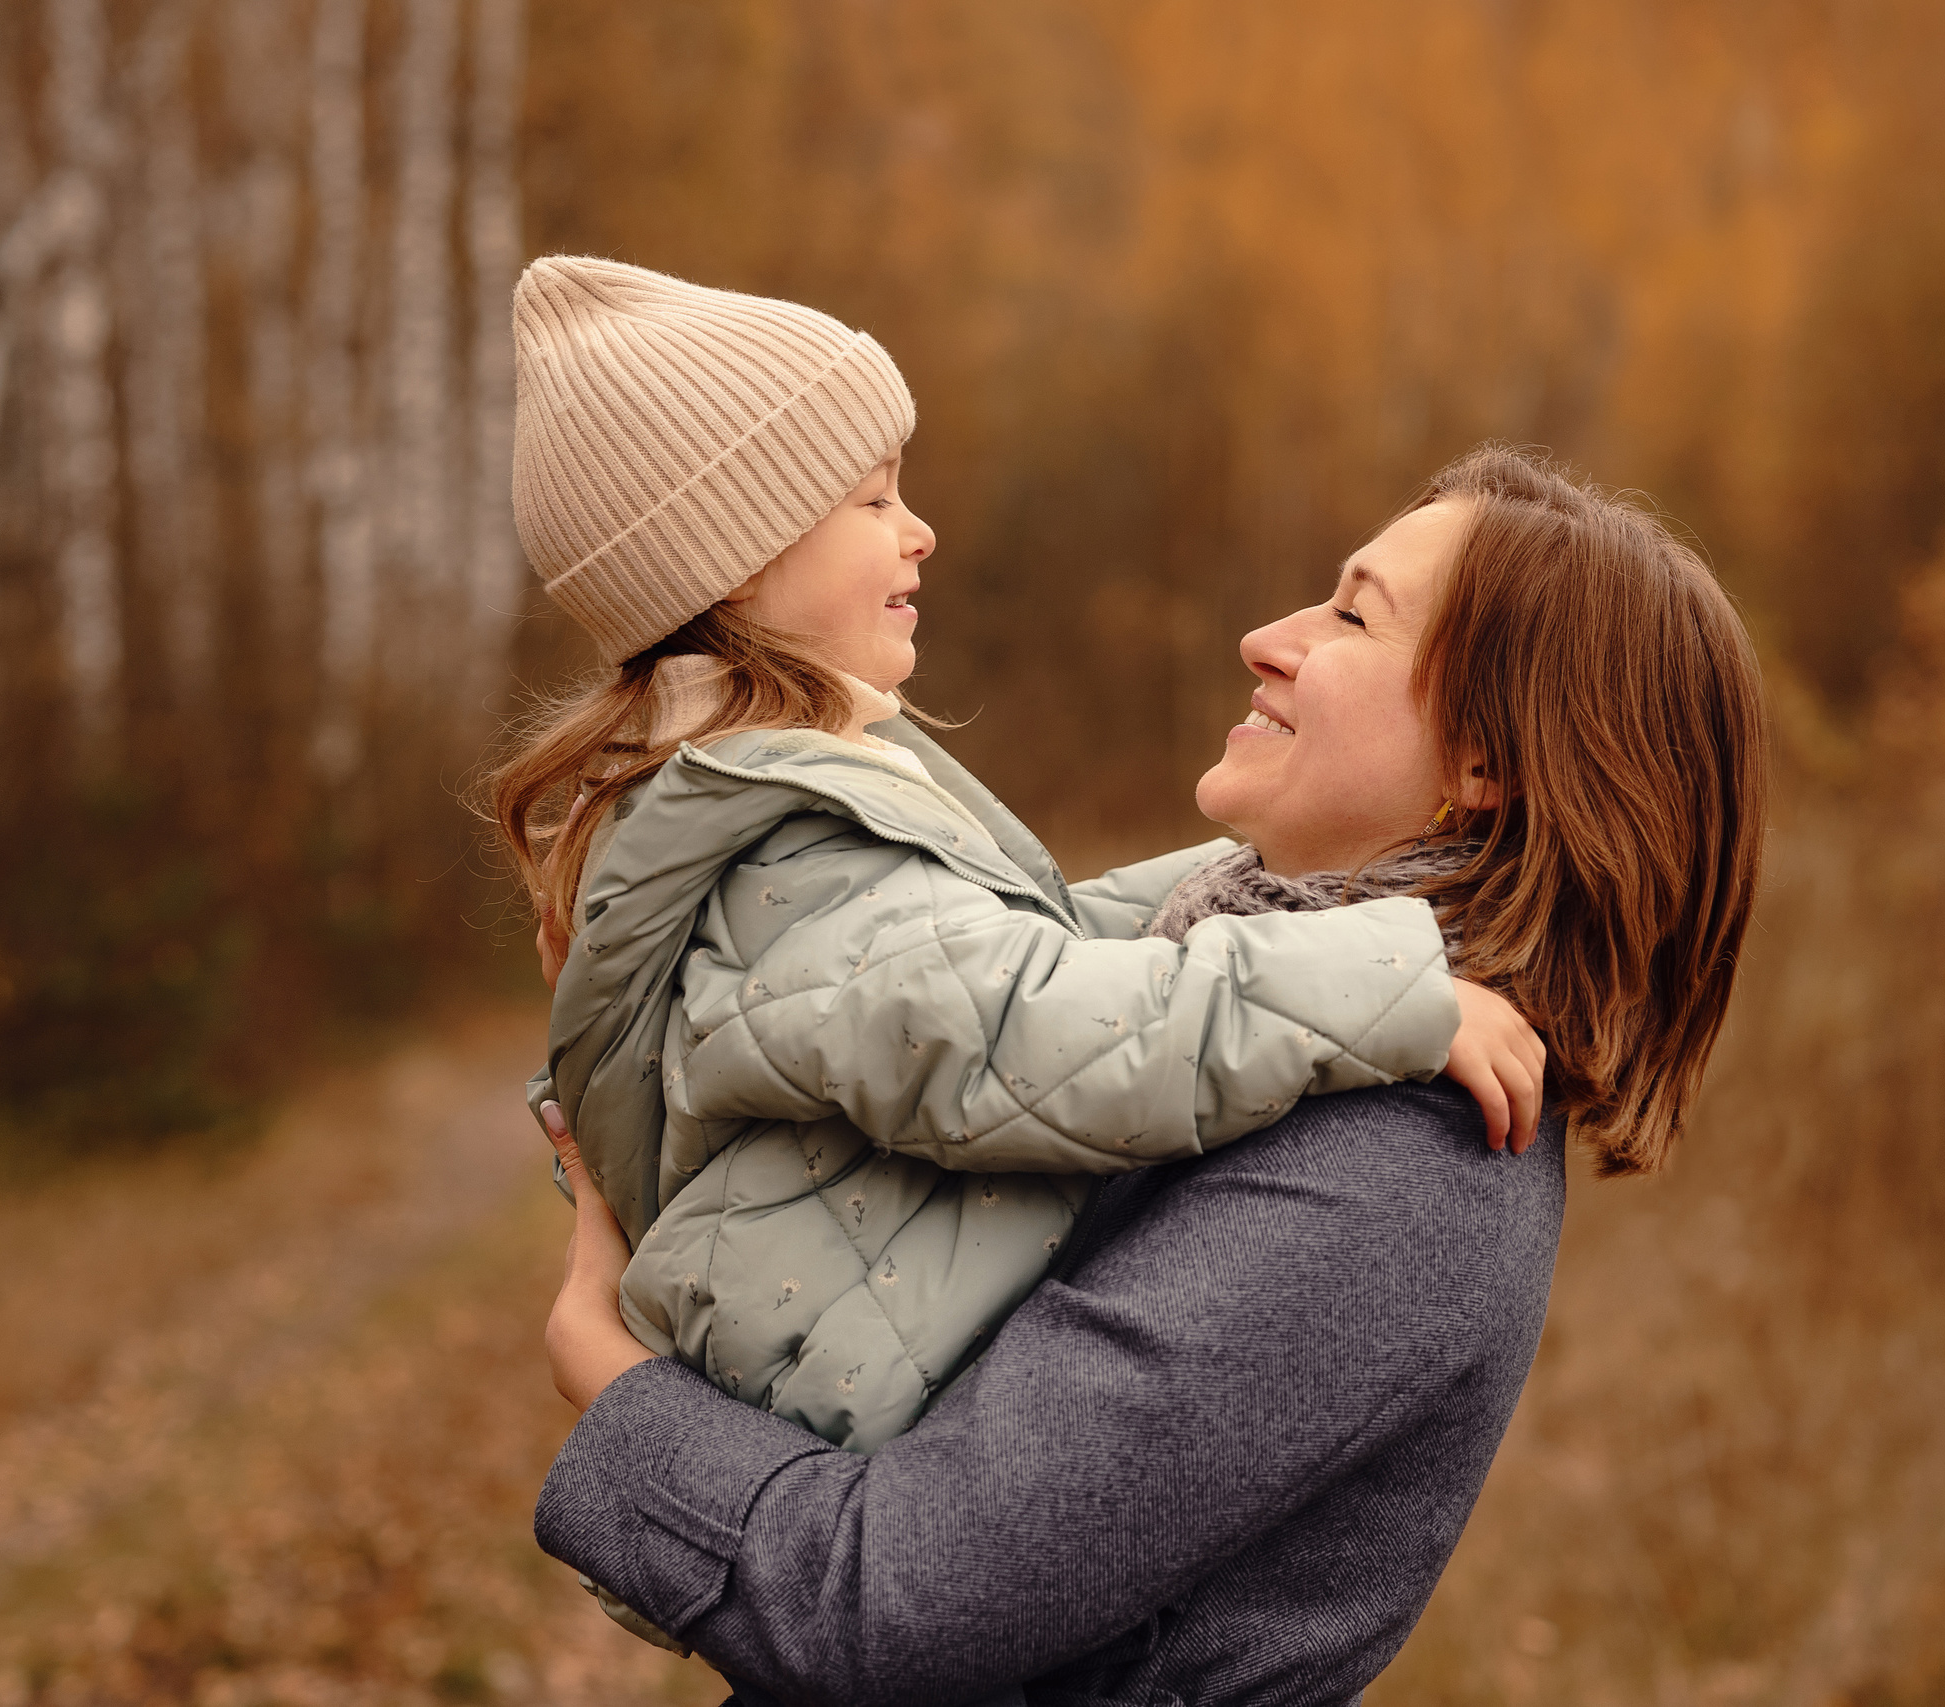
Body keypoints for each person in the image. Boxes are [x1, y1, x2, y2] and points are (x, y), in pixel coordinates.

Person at [534, 444, 1770, 1705]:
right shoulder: (1225, 976)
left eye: (1352, 617)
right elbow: (956, 1005)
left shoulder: (1403, 1163)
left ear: (1482, 765)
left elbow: (889, 1605)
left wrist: (611, 1377)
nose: (1265, 639)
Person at [489, 259, 1545, 1652]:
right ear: (735, 555)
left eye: (1352, 615)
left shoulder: (766, 794)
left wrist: (1283, 900)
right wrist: (1381, 978)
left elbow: (1035, 948)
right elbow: (1025, 1026)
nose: (919, 531)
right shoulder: (789, 833)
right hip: (835, 1409)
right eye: (872, 499)